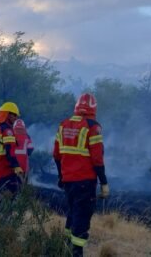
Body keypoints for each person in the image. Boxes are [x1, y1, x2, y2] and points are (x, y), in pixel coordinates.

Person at [53, 93, 109, 256]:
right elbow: (97, 159)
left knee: (72, 213)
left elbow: (56, 155)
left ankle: (65, 249)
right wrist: (104, 182)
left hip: (68, 181)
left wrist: (60, 176)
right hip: (85, 181)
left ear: (77, 108)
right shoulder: (93, 126)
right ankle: (76, 252)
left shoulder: (63, 125)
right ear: (93, 109)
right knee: (82, 216)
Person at [0, 102, 25, 199]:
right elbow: (10, 151)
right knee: (12, 195)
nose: (16, 118)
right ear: (7, 114)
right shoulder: (7, 130)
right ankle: (7, 213)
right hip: (5, 169)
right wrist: (16, 166)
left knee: (0, 195)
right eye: (14, 115)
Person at [12, 118, 34, 182]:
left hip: (13, 163)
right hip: (24, 165)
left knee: (13, 182)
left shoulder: (11, 135)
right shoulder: (27, 136)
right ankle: (23, 191)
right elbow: (31, 148)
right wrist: (27, 154)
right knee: (23, 182)